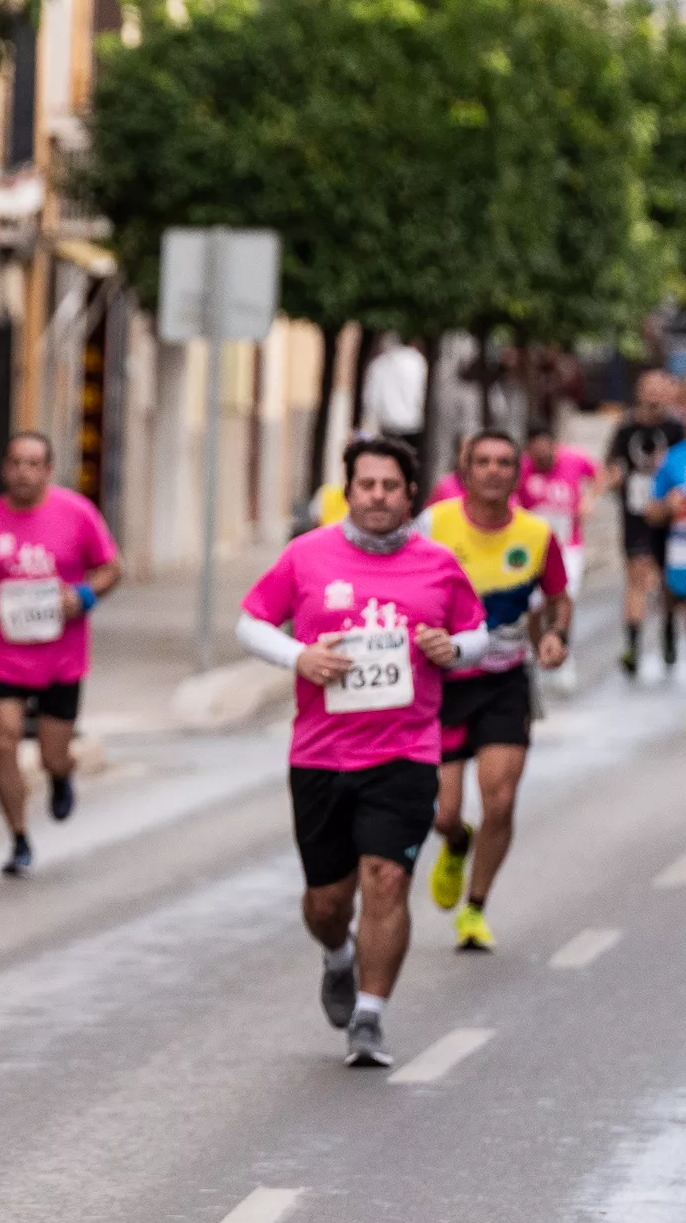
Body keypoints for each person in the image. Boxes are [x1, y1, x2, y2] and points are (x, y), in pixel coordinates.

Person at [236, 437, 484, 1067]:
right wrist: (300, 656)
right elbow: (251, 621)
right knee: (326, 901)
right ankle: (338, 955)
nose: (377, 496)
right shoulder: (307, 555)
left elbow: (475, 631)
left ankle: (370, 1017)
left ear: (410, 495)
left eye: (390, 486)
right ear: (348, 491)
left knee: (388, 878)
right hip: (321, 755)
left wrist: (452, 650)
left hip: (405, 751)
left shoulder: (438, 563)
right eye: (366, 484)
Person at [421, 432, 572, 953]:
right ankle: (456, 843)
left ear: (517, 473)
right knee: (441, 813)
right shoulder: (434, 525)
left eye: (504, 462)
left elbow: (557, 597)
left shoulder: (535, 534)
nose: (492, 470)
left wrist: (555, 635)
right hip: (440, 686)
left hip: (504, 682)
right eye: (481, 461)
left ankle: (476, 908)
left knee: (501, 801)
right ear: (464, 468)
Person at [0, 432, 120, 878]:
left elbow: (111, 568)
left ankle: (62, 774)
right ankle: (19, 838)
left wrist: (81, 596)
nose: (23, 471)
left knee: (50, 755)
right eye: (15, 462)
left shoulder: (77, 514)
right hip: (4, 658)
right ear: (4, 469)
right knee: (4, 742)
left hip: (62, 658)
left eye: (32, 463)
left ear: (48, 469)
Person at [610, 370, 683, 675]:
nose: (654, 395)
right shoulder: (626, 428)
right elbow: (613, 466)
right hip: (637, 515)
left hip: (673, 520)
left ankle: (667, 630)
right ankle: (633, 645)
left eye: (660, 389)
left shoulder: (677, 429)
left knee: (668, 584)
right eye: (648, 388)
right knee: (638, 577)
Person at [518, 424, 596, 596]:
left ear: (554, 445)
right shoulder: (520, 467)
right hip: (533, 544)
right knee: (534, 602)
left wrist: (588, 500)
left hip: (568, 542)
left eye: (545, 453)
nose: (541, 460)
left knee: (565, 595)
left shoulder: (574, 460)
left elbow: (600, 474)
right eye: (536, 455)